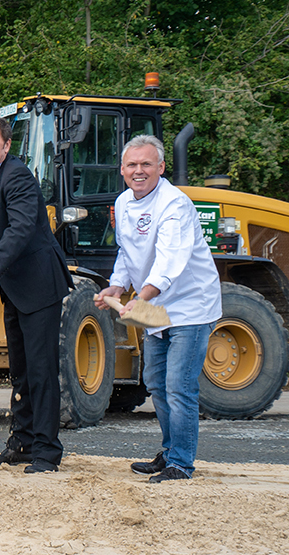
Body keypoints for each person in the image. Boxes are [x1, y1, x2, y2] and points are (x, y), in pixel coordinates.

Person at [95, 135, 221, 483]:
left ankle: (181, 462)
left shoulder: (174, 204)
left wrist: (142, 296)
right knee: (155, 382)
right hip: (154, 304)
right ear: (122, 170)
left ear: (161, 167)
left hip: (190, 304)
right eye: (132, 165)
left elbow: (170, 260)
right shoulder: (122, 203)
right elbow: (126, 252)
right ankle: (169, 452)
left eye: (146, 164)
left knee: (179, 385)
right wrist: (117, 285)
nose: (139, 171)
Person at [0, 116, 73, 473]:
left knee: (42, 371)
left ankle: (46, 452)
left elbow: (23, 227)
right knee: (22, 371)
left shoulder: (17, 175)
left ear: (7, 145)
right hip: (14, 286)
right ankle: (23, 442)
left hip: (39, 284)